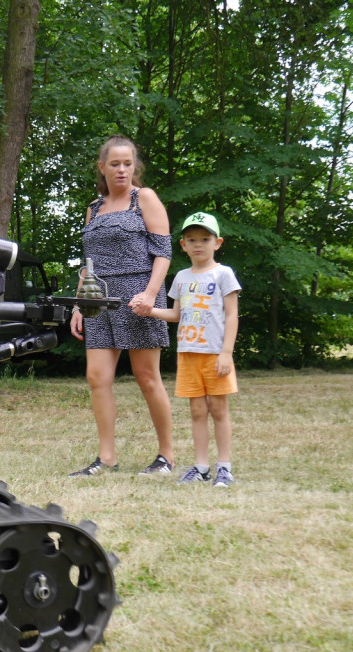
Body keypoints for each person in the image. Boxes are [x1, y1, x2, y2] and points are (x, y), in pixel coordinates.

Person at [68, 135, 175, 477]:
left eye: (127, 163)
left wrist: (150, 294)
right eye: (114, 164)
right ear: (102, 167)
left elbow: (163, 252)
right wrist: (79, 304)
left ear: (134, 166)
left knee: (147, 377)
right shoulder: (94, 207)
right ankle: (107, 458)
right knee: (97, 377)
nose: (121, 170)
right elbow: (88, 263)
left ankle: (166, 456)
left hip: (137, 295)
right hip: (98, 299)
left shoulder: (144, 198)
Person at [146, 212, 241, 487]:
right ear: (183, 245)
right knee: (198, 412)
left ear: (217, 243)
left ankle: (224, 468)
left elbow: (232, 315)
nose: (198, 244)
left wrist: (226, 353)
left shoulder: (224, 274)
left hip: (215, 354)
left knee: (219, 410)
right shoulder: (181, 277)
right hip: (188, 355)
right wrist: (150, 310)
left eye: (205, 239)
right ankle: (201, 468)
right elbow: (176, 314)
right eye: (192, 240)